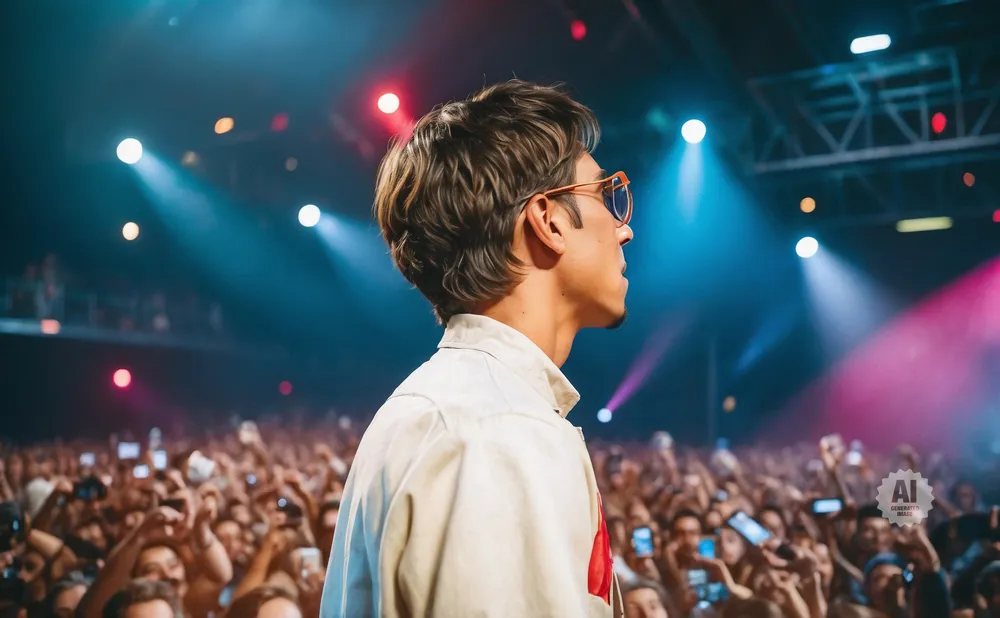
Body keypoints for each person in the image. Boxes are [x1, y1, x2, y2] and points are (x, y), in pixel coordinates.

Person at [320, 80, 634, 617]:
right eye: (605, 194)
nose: (623, 230)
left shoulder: (465, 409)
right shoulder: (496, 431)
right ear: (549, 220)